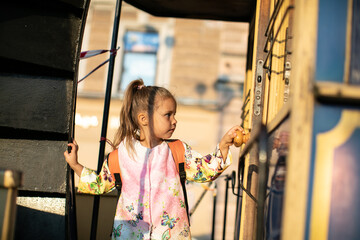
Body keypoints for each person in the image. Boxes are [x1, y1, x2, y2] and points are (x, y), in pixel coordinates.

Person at [64, 79, 245, 239]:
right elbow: (98, 184)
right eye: (168, 115)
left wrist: (223, 145)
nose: (174, 121)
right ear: (144, 119)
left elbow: (207, 171)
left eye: (174, 114)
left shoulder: (177, 151)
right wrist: (75, 165)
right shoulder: (119, 156)